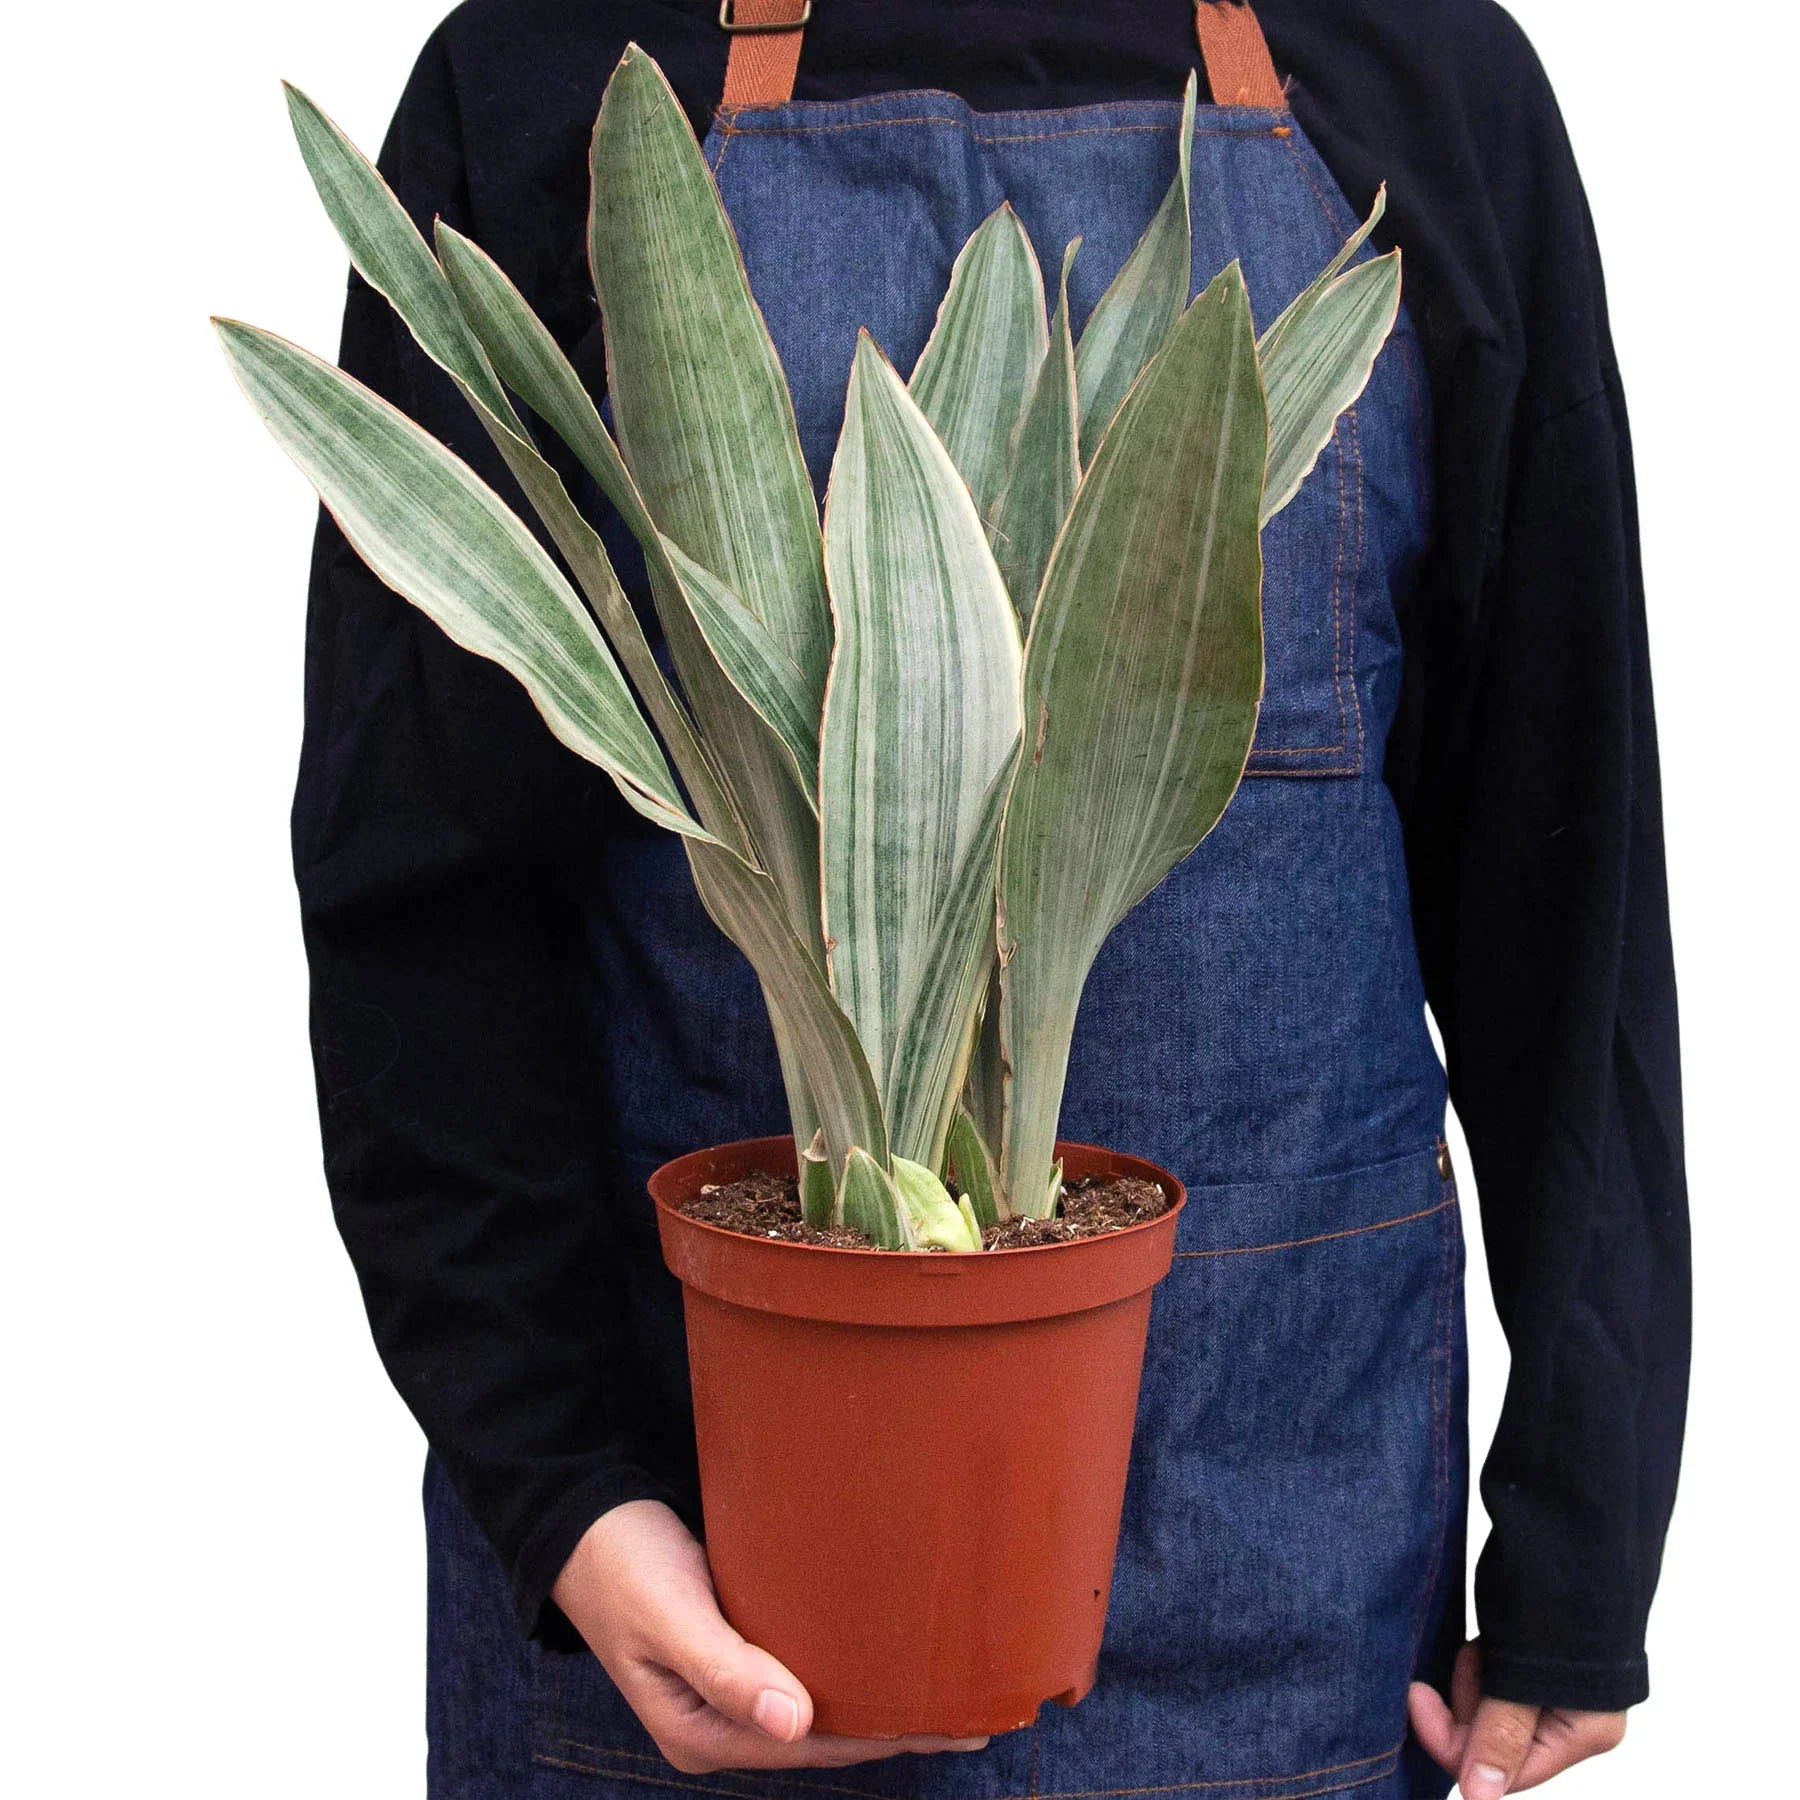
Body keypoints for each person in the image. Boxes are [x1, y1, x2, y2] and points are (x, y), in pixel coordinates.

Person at [295, 3, 1689, 1796]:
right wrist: (569, 1494)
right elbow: (421, 905)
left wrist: (1584, 1537)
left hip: (1273, 1547)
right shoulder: (554, 74)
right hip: (698, 1582)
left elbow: (1560, 868)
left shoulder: (1416, 73)